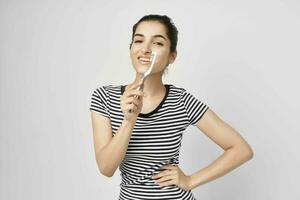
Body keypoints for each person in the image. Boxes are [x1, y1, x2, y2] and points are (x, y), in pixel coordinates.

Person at [89, 14, 254, 200]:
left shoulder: (181, 100)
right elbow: (106, 168)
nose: (145, 49)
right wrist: (129, 121)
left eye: (157, 43)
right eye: (138, 40)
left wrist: (191, 181)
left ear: (171, 56)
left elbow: (241, 149)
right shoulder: (104, 97)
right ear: (131, 49)